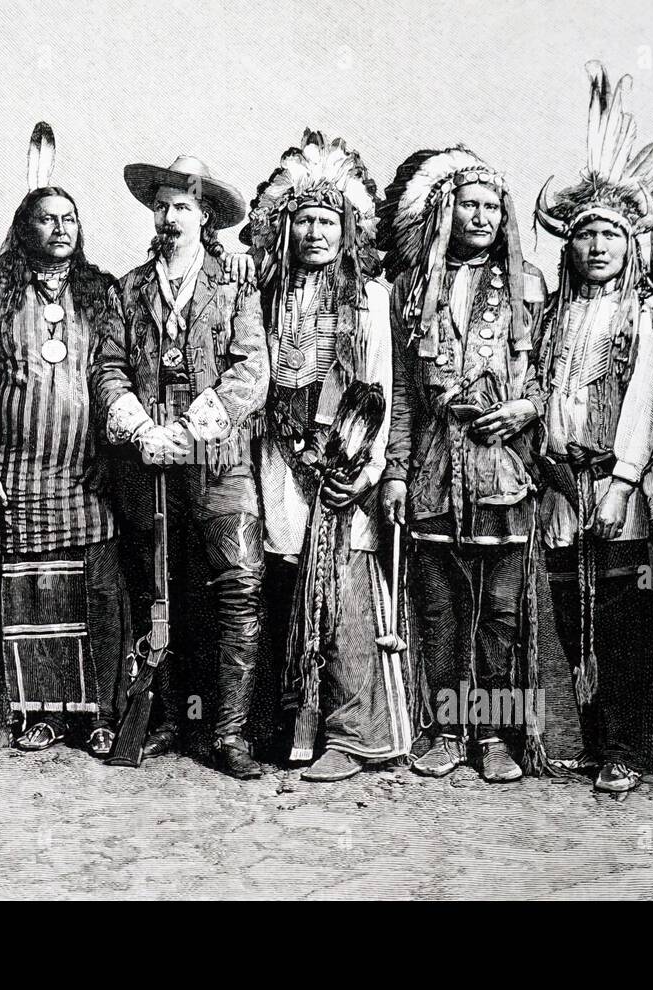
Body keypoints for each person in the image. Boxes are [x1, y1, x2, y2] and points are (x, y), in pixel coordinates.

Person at [91, 154, 270, 779]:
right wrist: (140, 427)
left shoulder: (237, 284)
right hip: (147, 464)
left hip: (219, 463)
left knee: (238, 589)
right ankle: (168, 717)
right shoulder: (128, 288)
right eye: (163, 206)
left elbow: (251, 372)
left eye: (183, 207)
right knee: (157, 590)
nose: (170, 217)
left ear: (206, 218)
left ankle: (229, 735)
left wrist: (190, 430)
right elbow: (107, 366)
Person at [376, 146, 550, 782]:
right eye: (469, 205)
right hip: (432, 471)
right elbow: (399, 393)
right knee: (440, 611)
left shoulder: (527, 283)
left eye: (492, 206)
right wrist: (396, 471)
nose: (481, 216)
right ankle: (447, 730)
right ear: (446, 211)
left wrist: (528, 407)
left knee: (502, 614)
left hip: (502, 470)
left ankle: (497, 736)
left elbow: (553, 372)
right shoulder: (411, 287)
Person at [531, 63, 653, 792]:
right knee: (572, 612)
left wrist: (623, 484)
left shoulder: (644, 314)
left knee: (621, 618)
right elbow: (539, 394)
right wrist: (552, 474)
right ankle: (594, 744)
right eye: (586, 234)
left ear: (631, 248)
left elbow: (646, 400)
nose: (596, 247)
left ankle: (630, 748)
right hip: (562, 480)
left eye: (610, 238)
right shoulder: (551, 315)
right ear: (570, 245)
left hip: (615, 482)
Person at [243, 130, 411, 781]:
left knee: (343, 594)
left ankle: (348, 735)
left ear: (347, 231)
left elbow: (381, 389)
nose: (315, 233)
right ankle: (293, 730)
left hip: (344, 468)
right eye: (304, 221)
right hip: (281, 463)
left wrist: (364, 472)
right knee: (285, 588)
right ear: (285, 229)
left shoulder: (371, 299)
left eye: (326, 222)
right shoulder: (267, 296)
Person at [0, 124, 131, 757]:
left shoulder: (101, 292)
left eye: (69, 219)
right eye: (46, 219)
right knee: (29, 597)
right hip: (16, 472)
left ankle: (98, 715)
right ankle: (37, 714)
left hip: (86, 473)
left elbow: (119, 376)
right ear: (23, 229)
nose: (60, 229)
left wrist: (114, 458)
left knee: (94, 595)